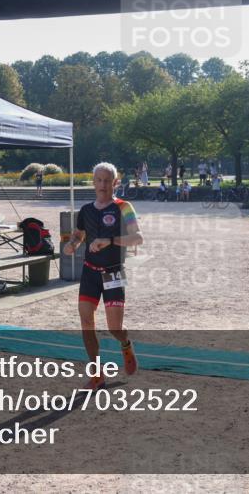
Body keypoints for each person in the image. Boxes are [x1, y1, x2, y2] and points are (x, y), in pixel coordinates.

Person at [62, 162, 143, 389]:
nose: (102, 185)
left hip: (114, 272)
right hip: (90, 272)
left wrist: (110, 241)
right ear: (93, 182)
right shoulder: (86, 210)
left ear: (115, 183)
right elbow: (79, 234)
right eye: (99, 180)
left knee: (114, 328)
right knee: (86, 321)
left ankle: (125, 344)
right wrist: (73, 244)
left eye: (107, 180)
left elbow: (138, 238)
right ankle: (96, 373)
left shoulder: (124, 207)